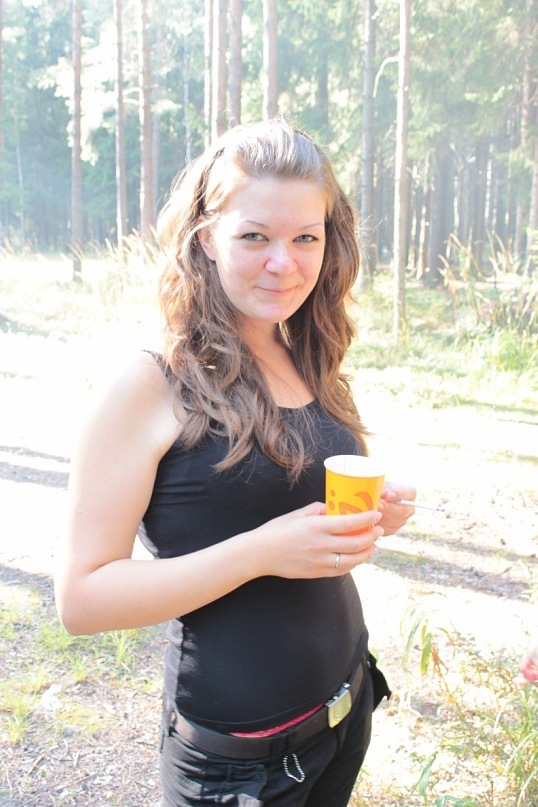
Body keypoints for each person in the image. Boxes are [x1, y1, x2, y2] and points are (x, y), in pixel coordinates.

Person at [55, 118, 416, 806]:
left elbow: (293, 509)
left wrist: (372, 515)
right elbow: (81, 600)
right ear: (205, 239)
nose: (284, 262)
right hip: (240, 766)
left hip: (344, 709)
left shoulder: (306, 352)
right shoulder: (152, 382)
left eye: (305, 237)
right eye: (255, 236)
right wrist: (261, 551)